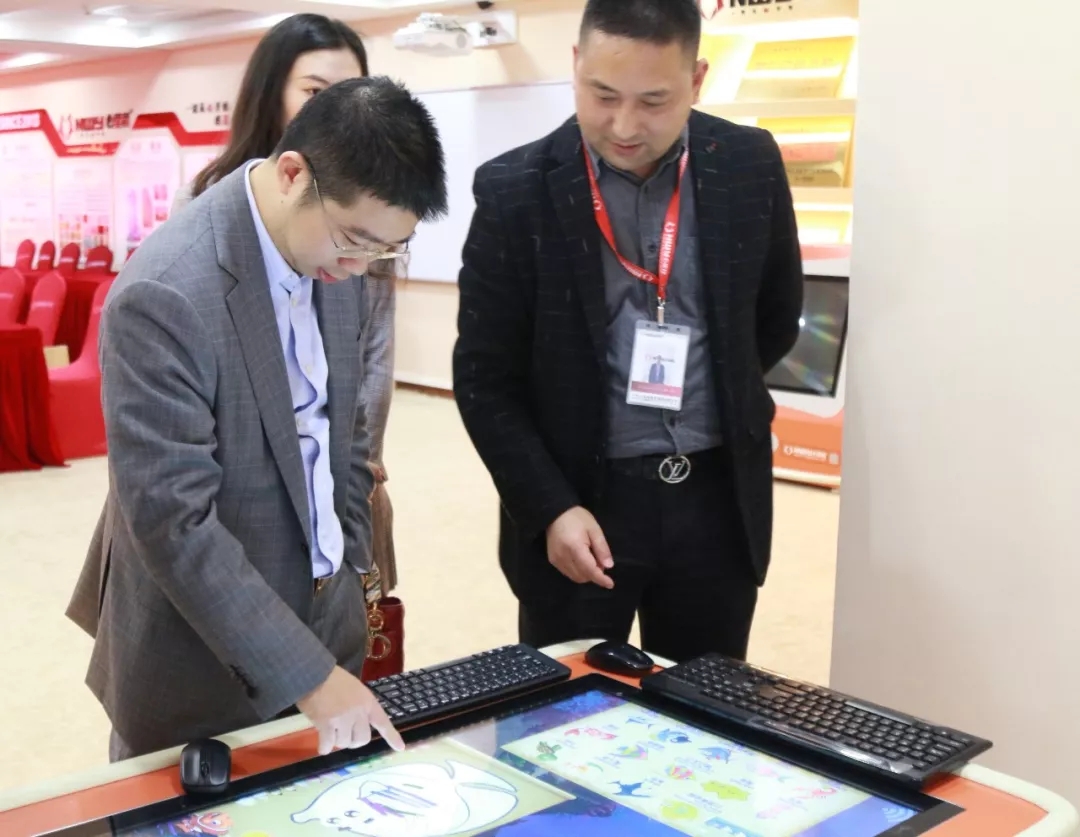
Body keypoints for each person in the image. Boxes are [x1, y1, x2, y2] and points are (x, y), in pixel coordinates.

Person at [64, 76, 447, 760]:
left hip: (328, 628)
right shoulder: (166, 291)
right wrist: (306, 674)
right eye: (354, 239)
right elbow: (173, 521)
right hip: (199, 656)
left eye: (385, 249)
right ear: (294, 174)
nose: (359, 266)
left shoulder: (337, 262)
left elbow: (347, 439)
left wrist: (349, 569)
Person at [452, 0, 803, 664]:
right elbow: (483, 380)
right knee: (571, 708)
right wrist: (549, 507)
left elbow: (775, 316)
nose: (624, 125)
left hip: (717, 503)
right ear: (576, 65)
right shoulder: (514, 190)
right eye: (603, 95)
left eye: (653, 101)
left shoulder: (748, 164)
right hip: (581, 507)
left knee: (706, 705)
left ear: (696, 80)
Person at [173, 13, 401, 596]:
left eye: (352, 95)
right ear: (271, 94)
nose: (337, 116)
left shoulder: (371, 210)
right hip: (239, 476)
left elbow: (374, 353)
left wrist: (358, 461)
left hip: (339, 472)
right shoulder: (207, 203)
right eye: (316, 93)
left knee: (353, 619)